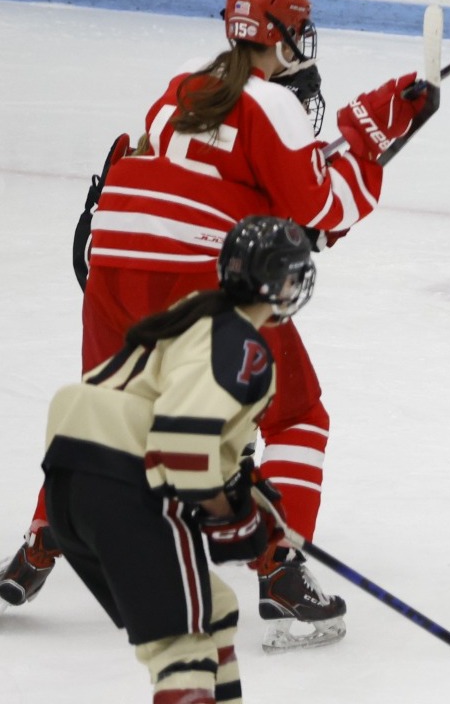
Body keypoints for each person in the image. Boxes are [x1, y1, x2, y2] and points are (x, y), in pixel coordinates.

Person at [1, 0, 434, 650]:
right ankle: (283, 571)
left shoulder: (180, 83)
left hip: (113, 266)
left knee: (112, 412)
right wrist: (371, 144)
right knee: (296, 411)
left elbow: (190, 174)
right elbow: (320, 211)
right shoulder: (275, 107)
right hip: (192, 277)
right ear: (286, 34)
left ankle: (36, 547)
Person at [41, 215, 314, 704]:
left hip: (68, 476)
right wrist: (232, 515)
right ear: (277, 282)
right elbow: (182, 446)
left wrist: (246, 495)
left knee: (214, 609)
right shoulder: (242, 347)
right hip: (120, 475)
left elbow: (190, 433)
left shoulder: (196, 313)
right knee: (182, 646)